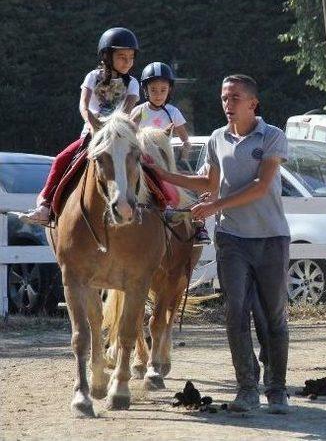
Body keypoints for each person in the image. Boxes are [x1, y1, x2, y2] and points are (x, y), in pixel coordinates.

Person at [147, 74, 290, 413]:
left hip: (271, 238)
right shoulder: (215, 138)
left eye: (235, 98)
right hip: (231, 240)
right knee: (235, 312)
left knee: (273, 317)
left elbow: (260, 185)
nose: (228, 104)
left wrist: (214, 206)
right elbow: (207, 181)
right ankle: (246, 388)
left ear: (252, 103)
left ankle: (277, 387)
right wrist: (162, 173)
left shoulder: (272, 137)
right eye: (225, 98)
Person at [20, 27, 140, 224]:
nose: (128, 62)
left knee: (147, 165)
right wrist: (91, 123)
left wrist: (113, 127)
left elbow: (127, 108)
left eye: (131, 57)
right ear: (107, 56)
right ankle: (45, 206)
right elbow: (83, 105)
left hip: (118, 136)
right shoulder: (93, 77)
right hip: (92, 135)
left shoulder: (133, 83)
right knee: (61, 159)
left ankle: (163, 207)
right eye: (121, 57)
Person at [132, 61, 210, 245]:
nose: (158, 95)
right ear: (146, 91)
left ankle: (199, 225)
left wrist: (185, 149)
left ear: (169, 91)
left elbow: (184, 138)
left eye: (162, 90)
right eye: (153, 90)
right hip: (142, 160)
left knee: (187, 189)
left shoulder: (172, 112)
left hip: (164, 160)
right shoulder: (139, 111)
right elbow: (130, 134)